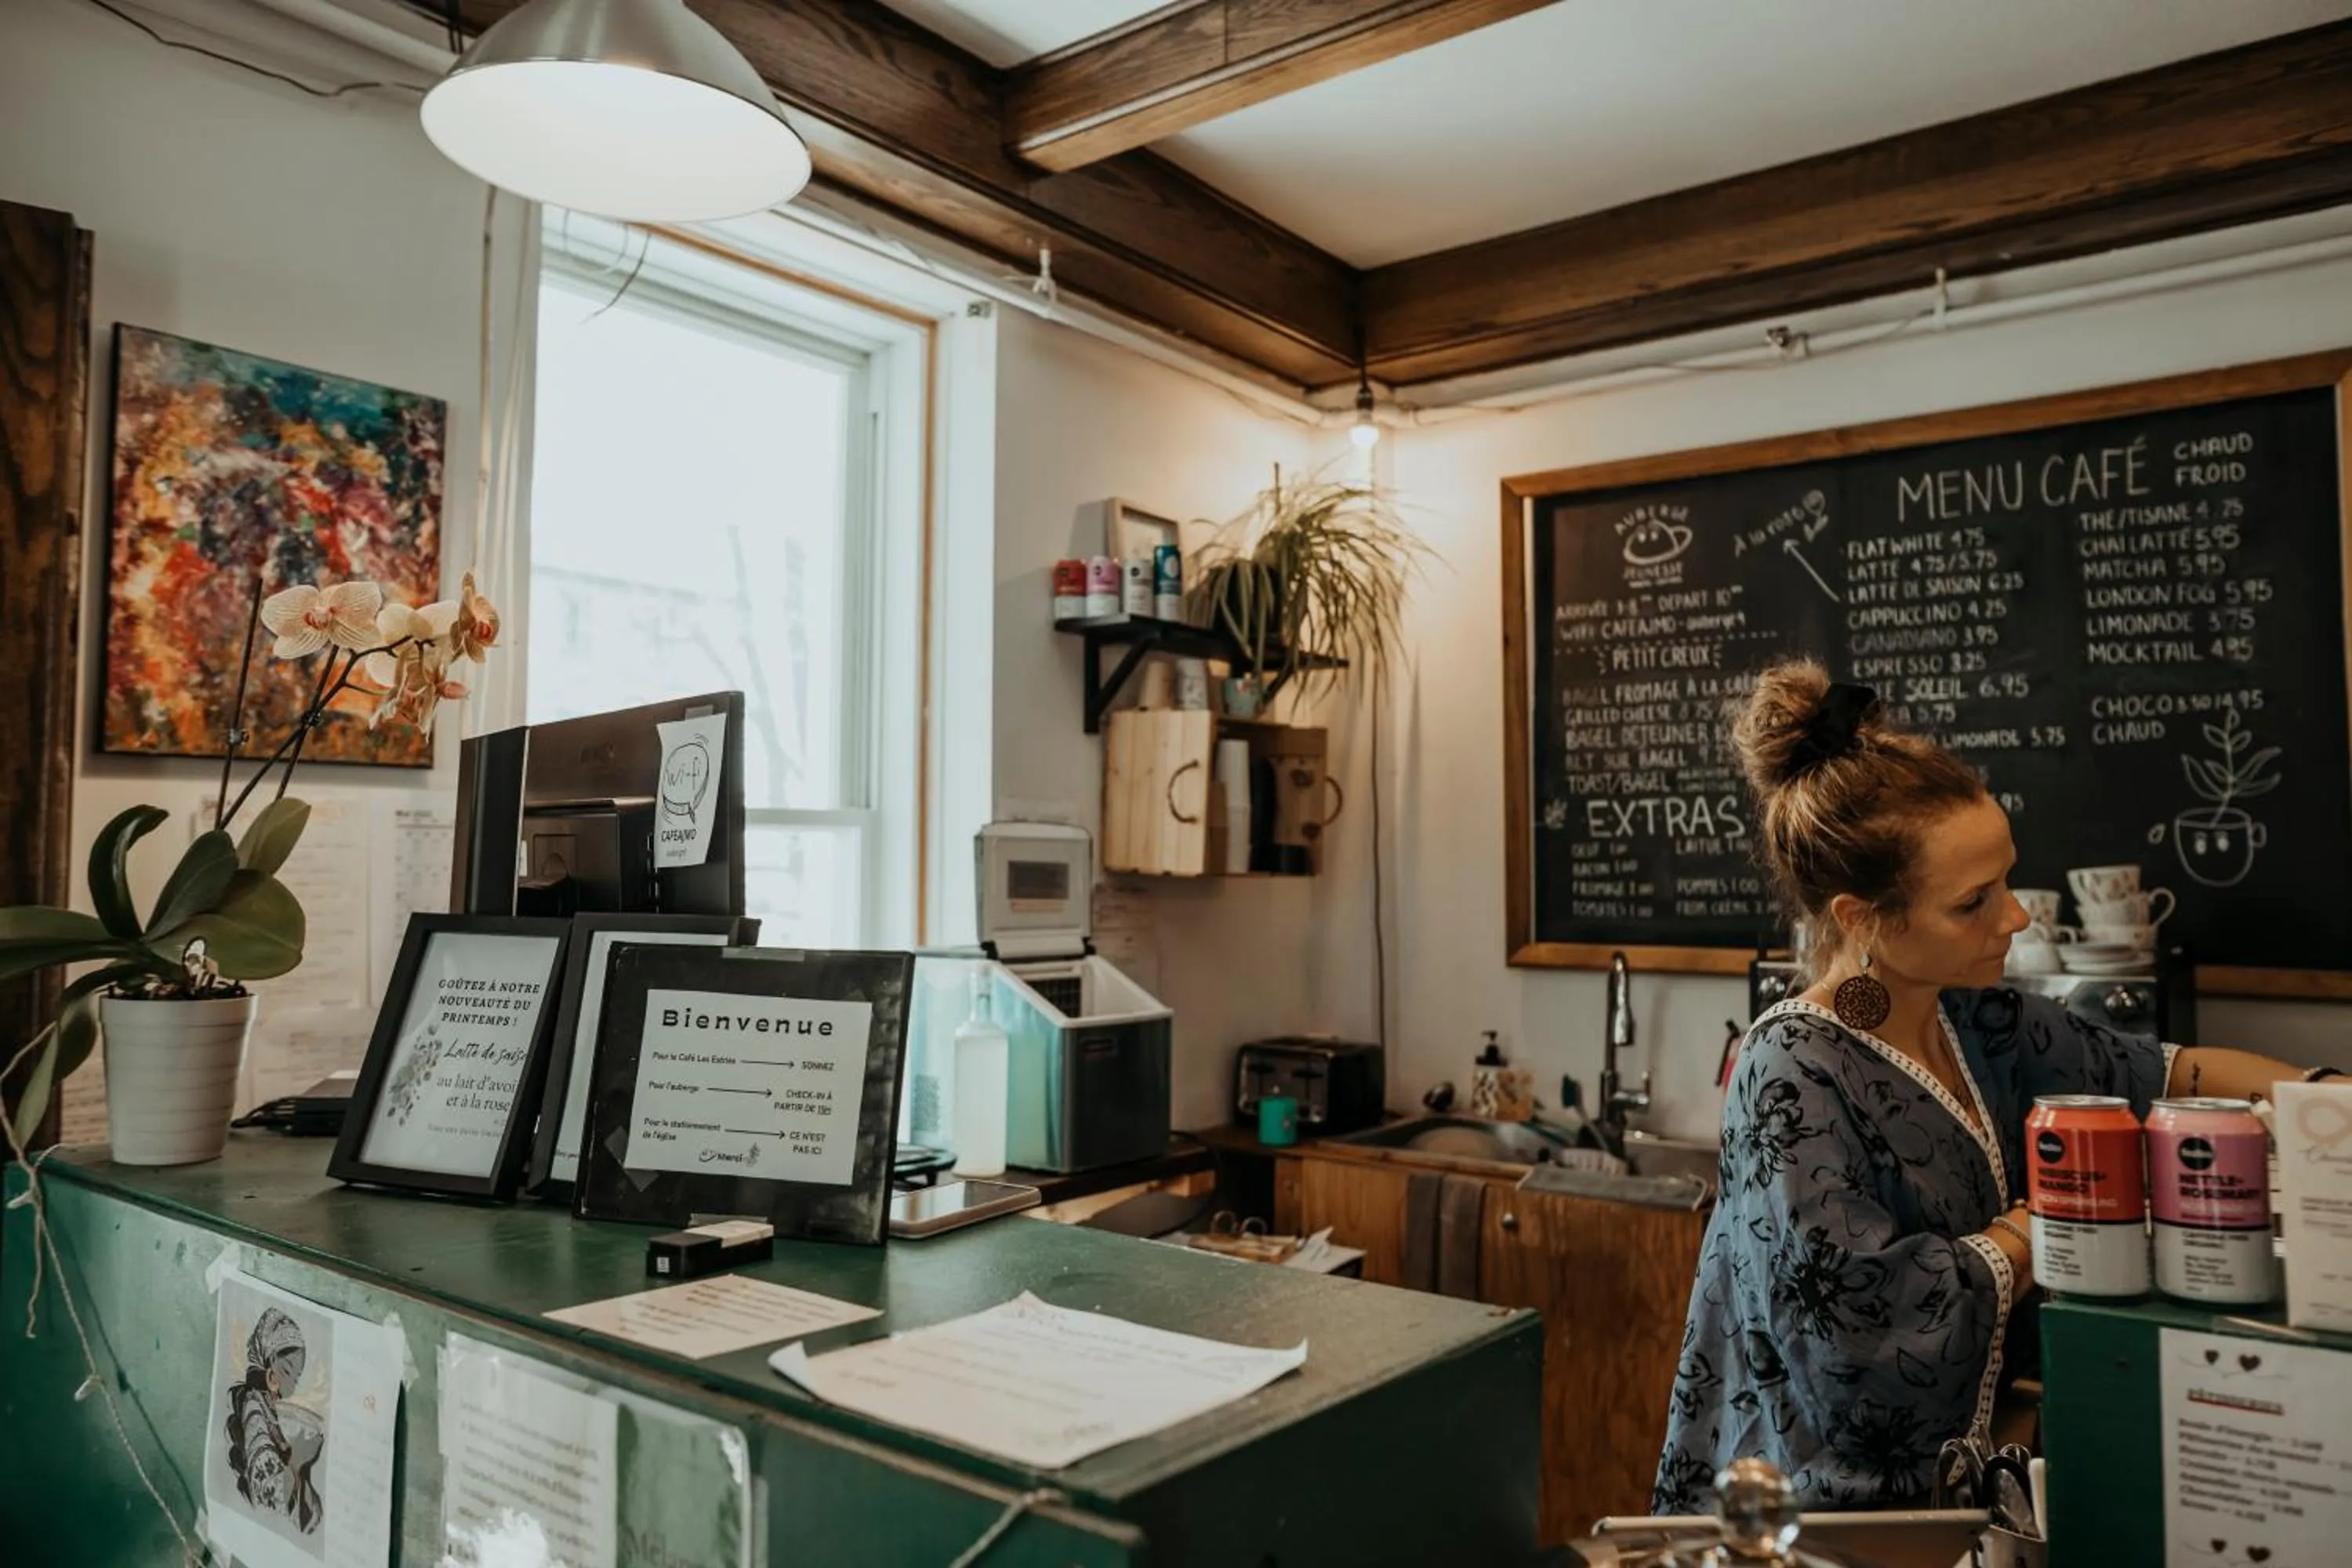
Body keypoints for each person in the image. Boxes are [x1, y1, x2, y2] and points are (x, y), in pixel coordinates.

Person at [1653, 662, 2333, 1512]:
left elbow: (2170, 1072)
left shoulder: (1980, 1018)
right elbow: (1857, 1340)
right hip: (1811, 1520)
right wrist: (2034, 1225)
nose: (2013, 917)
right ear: (1862, 920)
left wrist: (2323, 1099)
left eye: (2008, 880)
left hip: (1968, 1488)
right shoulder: (1791, 1068)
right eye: (1974, 901)